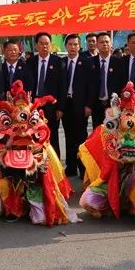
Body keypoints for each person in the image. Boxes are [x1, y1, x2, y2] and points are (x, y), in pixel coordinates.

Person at [23, 32, 65, 155]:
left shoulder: (58, 62)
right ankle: (37, 163)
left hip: (51, 106)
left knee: (52, 136)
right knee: (34, 136)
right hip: (34, 106)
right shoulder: (30, 62)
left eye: (47, 44)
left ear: (50, 45)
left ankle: (54, 167)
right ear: (36, 45)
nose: (44, 46)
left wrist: (60, 108)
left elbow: (62, 87)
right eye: (41, 44)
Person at [60, 34, 92, 176]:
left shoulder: (86, 62)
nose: (73, 47)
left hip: (80, 104)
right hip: (65, 103)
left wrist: (88, 105)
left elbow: (91, 86)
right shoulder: (61, 63)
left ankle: (83, 167)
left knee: (81, 136)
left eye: (76, 44)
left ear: (79, 46)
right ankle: (71, 167)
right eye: (70, 44)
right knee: (68, 135)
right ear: (66, 46)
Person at [88, 33, 124, 129]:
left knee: (114, 133)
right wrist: (88, 105)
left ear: (111, 44)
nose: (104, 44)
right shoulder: (90, 62)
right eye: (101, 42)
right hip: (96, 105)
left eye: (107, 42)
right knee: (98, 133)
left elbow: (122, 84)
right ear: (97, 45)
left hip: (114, 105)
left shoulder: (119, 62)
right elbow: (88, 85)